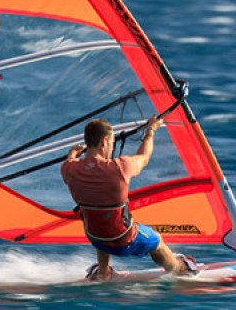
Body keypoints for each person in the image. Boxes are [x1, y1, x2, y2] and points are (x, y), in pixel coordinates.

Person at [61, 115, 197, 281]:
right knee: (156, 241)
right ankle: (179, 269)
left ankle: (103, 272)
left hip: (95, 237)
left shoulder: (69, 169)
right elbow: (144, 157)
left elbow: (70, 160)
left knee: (100, 218)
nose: (111, 149)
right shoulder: (119, 167)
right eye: (111, 144)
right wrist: (151, 131)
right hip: (123, 238)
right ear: (104, 141)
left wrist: (73, 154)